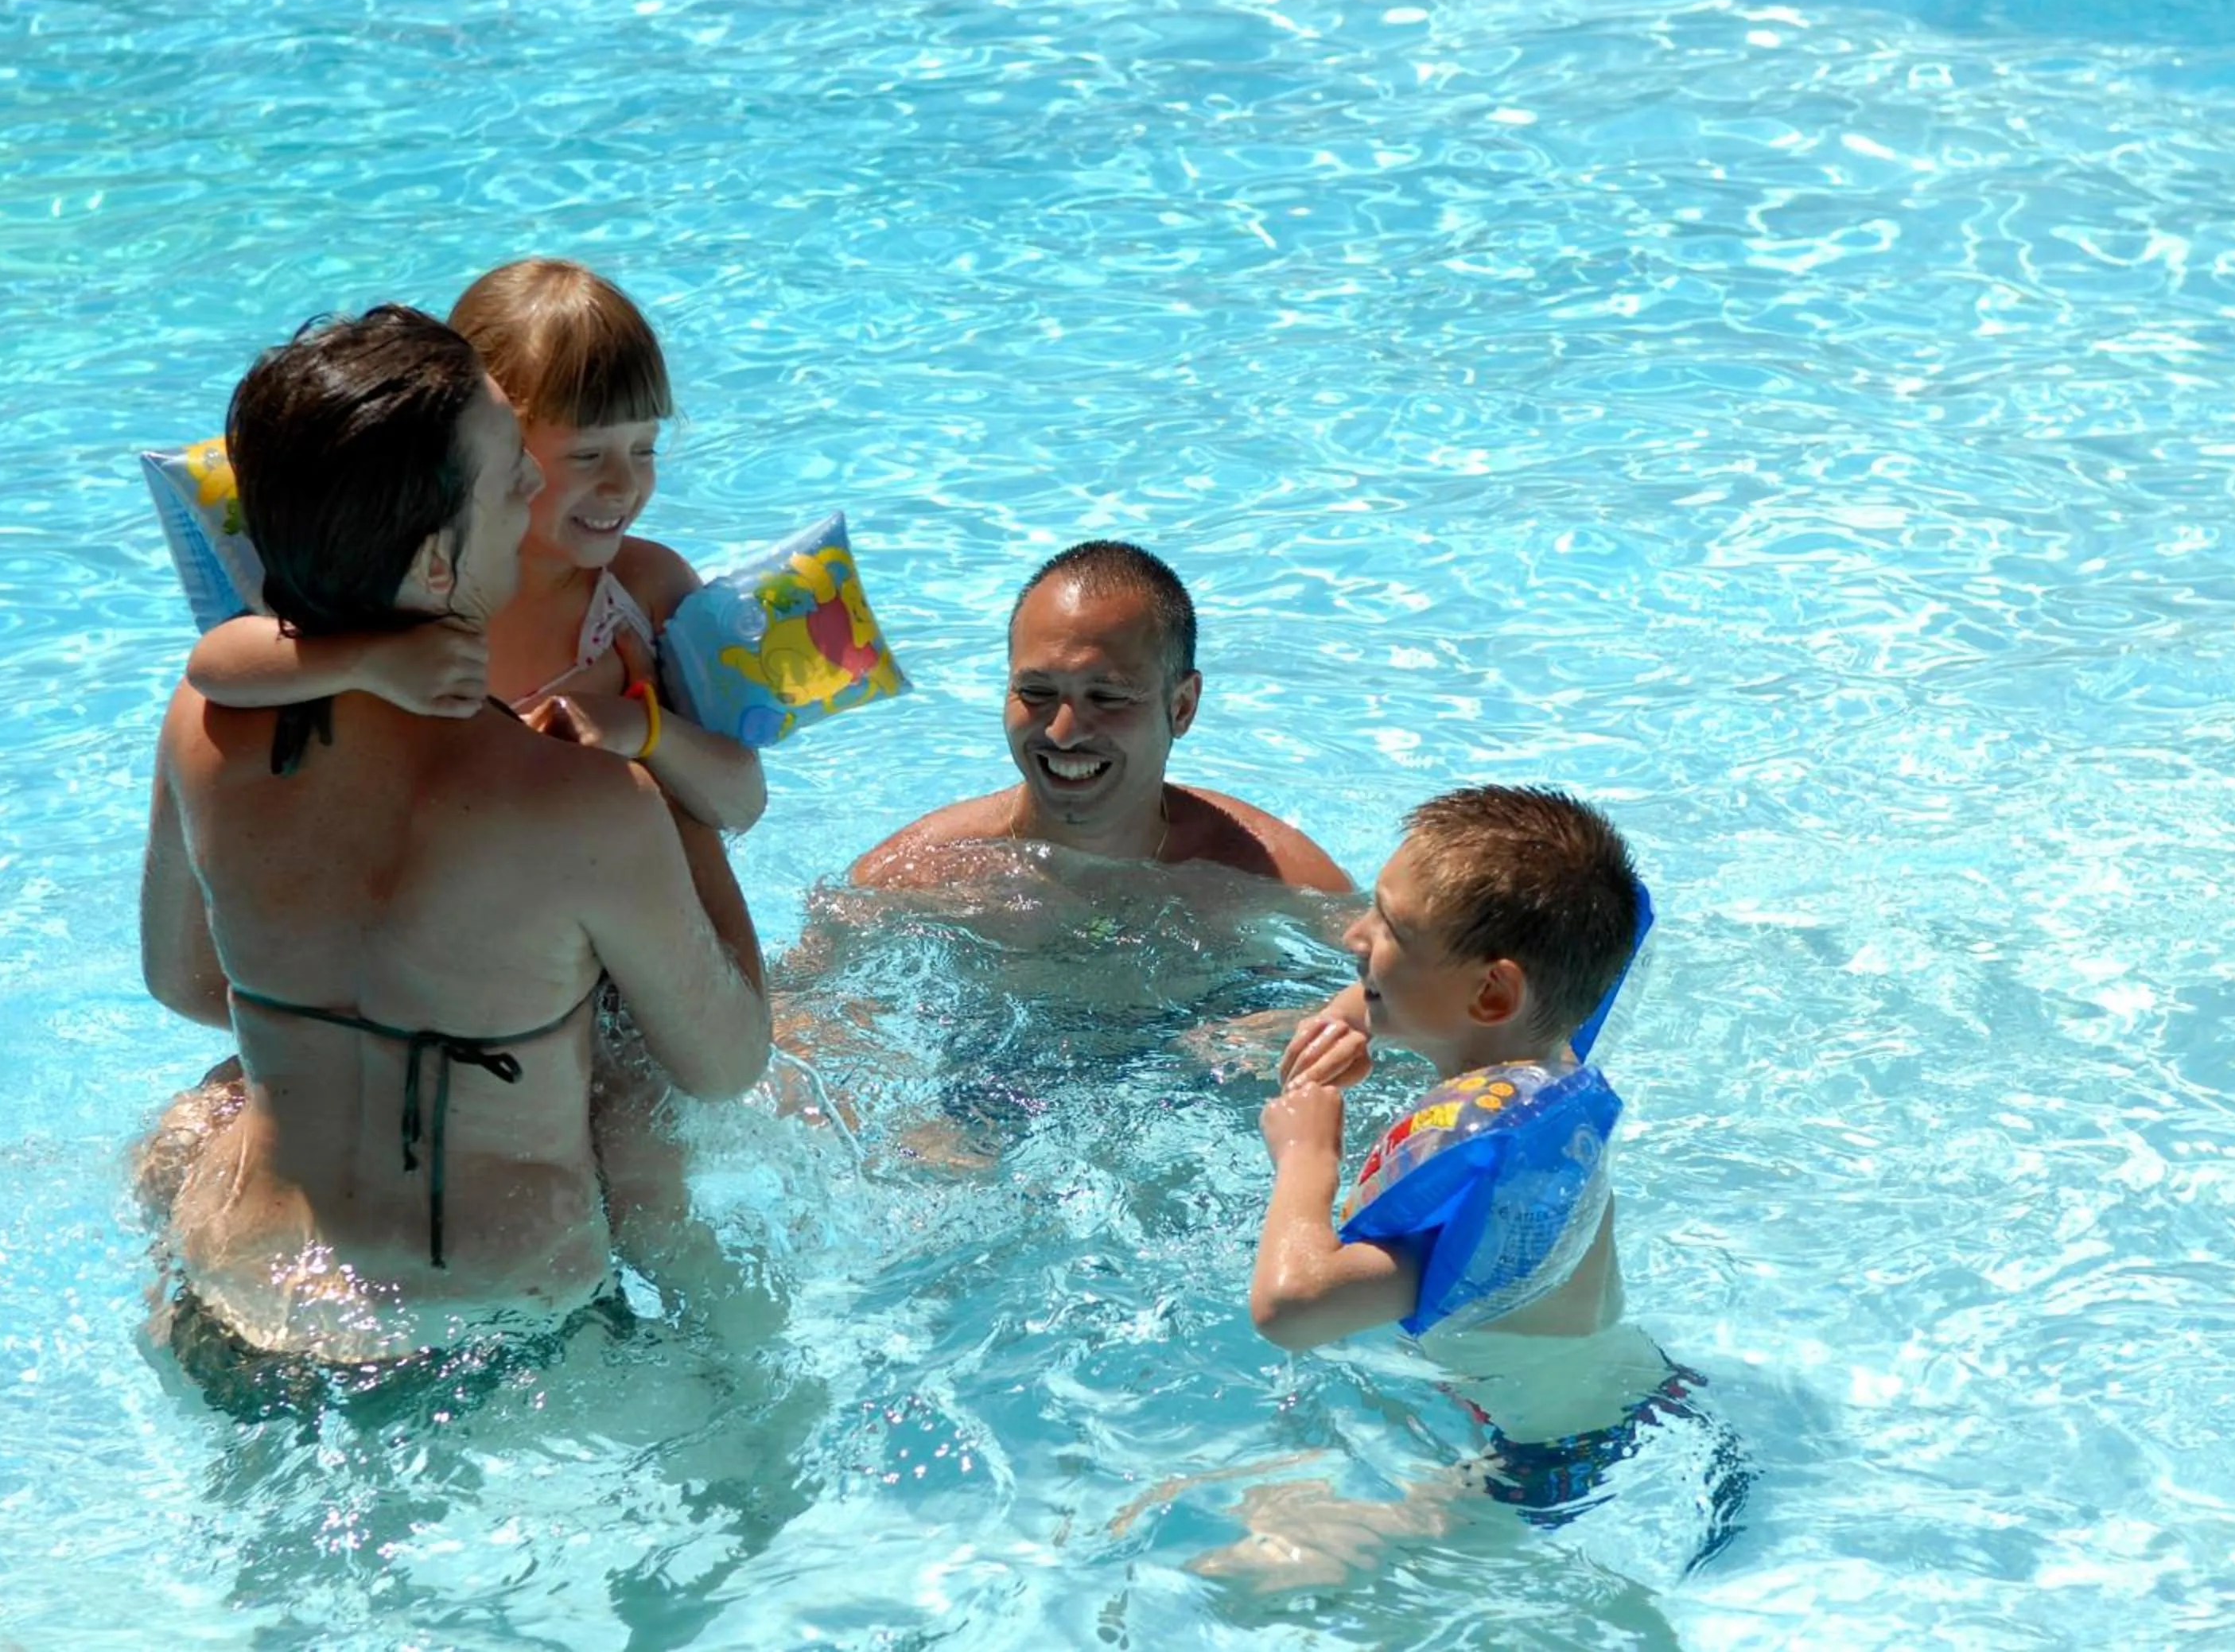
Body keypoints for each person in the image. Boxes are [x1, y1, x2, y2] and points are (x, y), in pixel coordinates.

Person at [138, 306, 769, 1375]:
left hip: (246, 1279)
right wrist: (674, 791)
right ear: (439, 563)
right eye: (510, 473)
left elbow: (188, 985)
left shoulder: (203, 726)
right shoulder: (586, 805)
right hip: (499, 1316)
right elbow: (725, 1060)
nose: (532, 485)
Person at [1199, 785, 1746, 1584]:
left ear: (1492, 992)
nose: (1354, 934)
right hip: (1623, 1393)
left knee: (1242, 1576)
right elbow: (1447, 1003)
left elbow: (1292, 1307)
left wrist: (1307, 1153)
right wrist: (1352, 1017)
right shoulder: (1546, 1061)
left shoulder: (1494, 1179)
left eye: (1389, 928)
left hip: (1536, 1467)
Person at [183, 257, 764, 833]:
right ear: (491, 443)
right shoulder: (419, 589)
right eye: (587, 455)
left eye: (645, 449)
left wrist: (644, 728)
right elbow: (212, 667)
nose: (623, 485)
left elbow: (741, 804)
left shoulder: (645, 590)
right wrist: (368, 662)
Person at [848, 541, 1351, 894]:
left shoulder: (1278, 879)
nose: (1063, 733)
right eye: (1036, 692)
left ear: (1182, 707)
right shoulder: (913, 876)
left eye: (1107, 697)